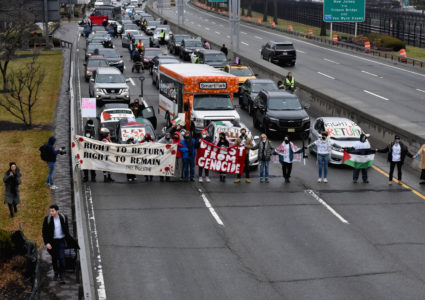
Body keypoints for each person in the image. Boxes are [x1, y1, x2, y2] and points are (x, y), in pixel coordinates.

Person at [42, 204, 79, 284]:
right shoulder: (47, 219)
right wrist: (47, 243)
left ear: (57, 211)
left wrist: (68, 240)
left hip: (61, 241)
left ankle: (61, 275)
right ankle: (56, 273)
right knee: (54, 259)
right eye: (50, 211)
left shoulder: (63, 217)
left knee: (62, 258)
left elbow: (66, 230)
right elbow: (44, 232)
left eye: (52, 211)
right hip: (52, 242)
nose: (51, 212)